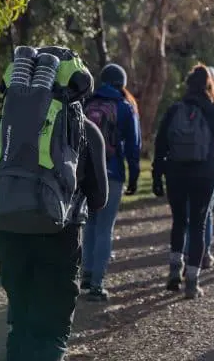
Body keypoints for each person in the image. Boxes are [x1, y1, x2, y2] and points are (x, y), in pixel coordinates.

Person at [0, 46, 108, 361]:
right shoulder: (86, 130)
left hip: (9, 232)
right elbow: (100, 198)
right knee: (51, 330)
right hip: (59, 237)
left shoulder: (3, 126)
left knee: (21, 325)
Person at [152, 64, 214, 299]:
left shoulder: (173, 111)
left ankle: (173, 271)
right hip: (204, 174)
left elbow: (160, 145)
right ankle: (192, 281)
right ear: (209, 86)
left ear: (188, 85)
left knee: (178, 221)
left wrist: (157, 175)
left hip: (176, 172)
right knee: (198, 225)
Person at [81, 63, 141, 301]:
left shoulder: (86, 103)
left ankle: (86, 273)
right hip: (112, 174)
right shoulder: (125, 107)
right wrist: (133, 176)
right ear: (121, 83)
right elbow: (134, 147)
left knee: (89, 224)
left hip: (85, 174)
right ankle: (97, 284)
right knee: (105, 228)